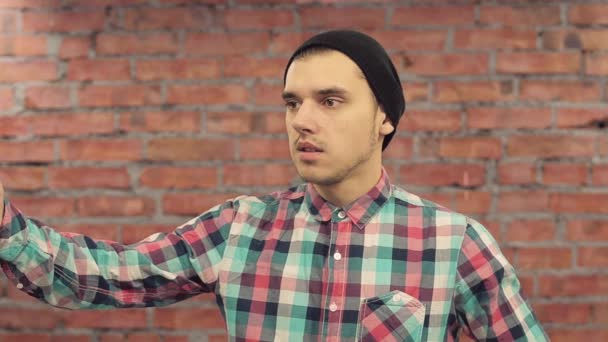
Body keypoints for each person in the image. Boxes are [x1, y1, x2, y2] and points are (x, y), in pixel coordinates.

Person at [0, 30, 547, 341]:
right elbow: (102, 276)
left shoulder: (455, 243)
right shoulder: (240, 228)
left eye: (329, 101)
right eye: (292, 103)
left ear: (385, 116)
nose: (301, 121)